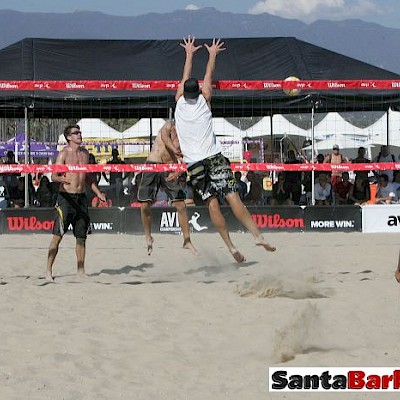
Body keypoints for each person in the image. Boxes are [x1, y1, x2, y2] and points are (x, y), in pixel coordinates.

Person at [174, 35, 275, 262]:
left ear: (182, 92)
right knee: (232, 196)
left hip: (194, 163)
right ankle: (257, 236)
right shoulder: (204, 101)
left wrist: (188, 54)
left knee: (211, 203)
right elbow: (208, 77)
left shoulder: (179, 102)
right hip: (213, 157)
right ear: (198, 92)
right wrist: (212, 54)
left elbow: (185, 77)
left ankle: (230, 247)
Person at [46, 124, 106, 281]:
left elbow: (88, 178)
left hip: (81, 198)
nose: (79, 135)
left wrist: (98, 193)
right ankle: (48, 271)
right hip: (65, 198)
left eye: (80, 132)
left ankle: (80, 270)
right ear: (68, 137)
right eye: (76, 133)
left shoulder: (85, 154)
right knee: (57, 236)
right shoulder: (63, 153)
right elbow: (53, 176)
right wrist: (61, 178)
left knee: (81, 237)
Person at [138, 120, 198, 256]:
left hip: (170, 168)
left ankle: (187, 240)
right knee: (144, 205)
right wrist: (176, 150)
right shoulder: (170, 125)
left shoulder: (187, 137)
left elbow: (187, 160)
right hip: (153, 164)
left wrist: (177, 172)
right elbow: (165, 138)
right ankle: (148, 237)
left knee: (181, 205)